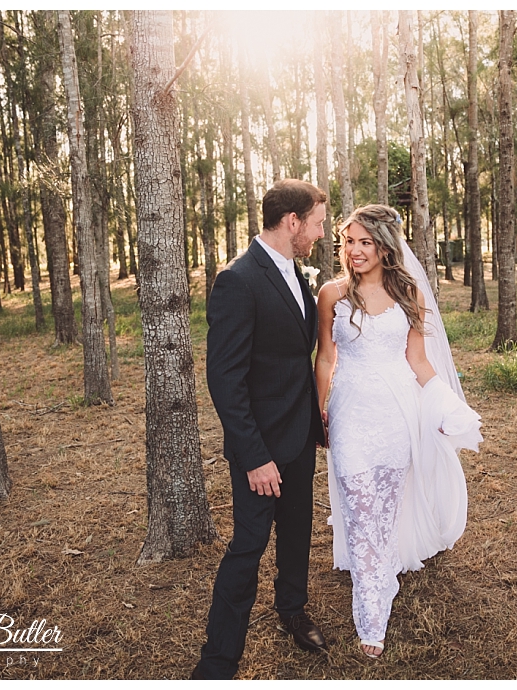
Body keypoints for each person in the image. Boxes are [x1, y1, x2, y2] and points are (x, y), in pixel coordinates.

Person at [314, 204, 482, 660]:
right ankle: (372, 612)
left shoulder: (409, 293)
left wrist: (446, 404)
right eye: (349, 241)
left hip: (395, 415)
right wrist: (318, 409)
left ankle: (379, 578)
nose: (355, 251)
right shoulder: (331, 294)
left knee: (383, 514)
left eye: (365, 242)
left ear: (385, 247)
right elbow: (326, 357)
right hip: (350, 414)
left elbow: (419, 361)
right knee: (359, 509)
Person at [194, 179, 329, 680]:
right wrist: (254, 457)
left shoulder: (296, 272)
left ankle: (292, 610)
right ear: (292, 222)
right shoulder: (238, 280)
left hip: (300, 434)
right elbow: (225, 379)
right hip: (261, 448)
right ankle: (218, 659)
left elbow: (296, 355)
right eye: (317, 224)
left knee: (296, 532)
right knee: (248, 547)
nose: (320, 234)